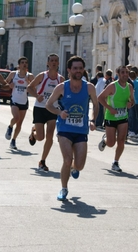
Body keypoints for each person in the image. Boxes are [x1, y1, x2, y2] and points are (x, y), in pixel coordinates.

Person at [45, 56, 98, 201]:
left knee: (79, 166)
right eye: (75, 68)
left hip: (81, 131)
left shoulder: (89, 87)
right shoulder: (62, 87)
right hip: (64, 129)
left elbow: (96, 105)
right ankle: (64, 189)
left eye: (81, 68)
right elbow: (49, 105)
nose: (78, 71)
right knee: (67, 159)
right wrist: (59, 113)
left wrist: (93, 120)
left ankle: (75, 168)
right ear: (69, 70)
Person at [27, 53, 65, 172]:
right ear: (48, 63)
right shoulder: (42, 76)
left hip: (52, 109)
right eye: (51, 60)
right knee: (40, 137)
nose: (54, 62)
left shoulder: (61, 79)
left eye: (56, 60)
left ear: (58, 63)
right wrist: (36, 95)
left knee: (50, 136)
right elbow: (29, 87)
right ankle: (33, 133)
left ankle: (42, 161)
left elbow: (65, 94)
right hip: (40, 108)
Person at [97, 66, 134, 172]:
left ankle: (116, 162)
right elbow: (100, 98)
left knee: (121, 140)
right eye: (123, 72)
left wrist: (130, 104)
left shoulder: (129, 87)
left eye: (126, 72)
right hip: (111, 117)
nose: (125, 74)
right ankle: (105, 141)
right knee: (111, 143)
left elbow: (132, 101)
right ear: (118, 74)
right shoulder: (113, 86)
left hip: (123, 116)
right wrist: (109, 108)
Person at [4, 56, 34, 149]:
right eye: (22, 62)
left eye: (26, 63)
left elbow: (35, 87)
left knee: (20, 123)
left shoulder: (30, 76)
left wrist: (29, 83)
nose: (24, 64)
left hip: (24, 101)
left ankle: (13, 140)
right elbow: (4, 84)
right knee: (16, 118)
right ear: (19, 65)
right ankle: (10, 126)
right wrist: (9, 85)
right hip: (15, 100)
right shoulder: (13, 74)